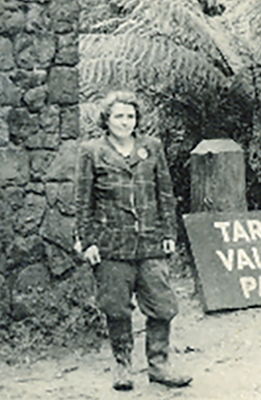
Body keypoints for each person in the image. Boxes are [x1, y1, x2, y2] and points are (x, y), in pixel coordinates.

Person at [74, 91, 192, 391]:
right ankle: (122, 366)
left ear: (137, 119)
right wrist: (88, 242)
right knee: (116, 308)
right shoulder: (91, 151)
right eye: (118, 116)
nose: (125, 122)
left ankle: (159, 366)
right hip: (111, 245)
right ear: (106, 119)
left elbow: (165, 193)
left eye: (130, 116)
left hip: (150, 241)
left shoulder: (151, 147)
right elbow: (83, 202)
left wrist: (169, 234)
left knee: (162, 305)